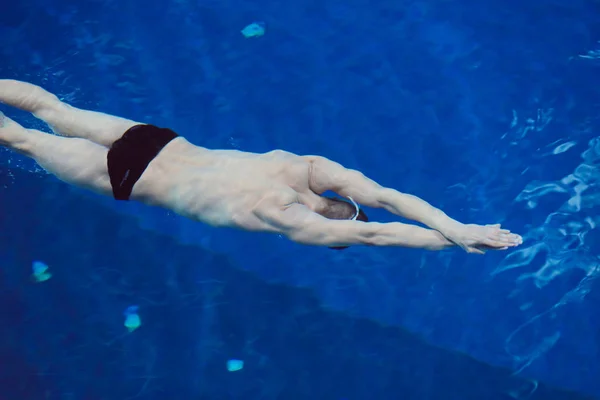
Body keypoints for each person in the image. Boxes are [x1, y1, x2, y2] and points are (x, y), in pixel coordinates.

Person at [0, 79, 522, 253]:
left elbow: (388, 204)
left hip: (159, 143)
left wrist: (457, 227)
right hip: (131, 177)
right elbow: (378, 233)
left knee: (54, 112)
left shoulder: (308, 169)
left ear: (347, 205)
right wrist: (457, 238)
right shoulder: (284, 214)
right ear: (334, 227)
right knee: (24, 139)